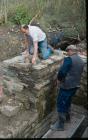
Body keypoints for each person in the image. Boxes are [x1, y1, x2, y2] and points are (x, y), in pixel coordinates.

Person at [51, 45, 84, 131]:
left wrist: (58, 79)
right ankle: (68, 118)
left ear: (70, 50)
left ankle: (60, 125)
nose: (67, 54)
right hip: (75, 85)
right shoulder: (80, 60)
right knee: (68, 101)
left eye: (67, 52)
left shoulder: (69, 59)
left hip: (67, 86)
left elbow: (62, 72)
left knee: (61, 104)